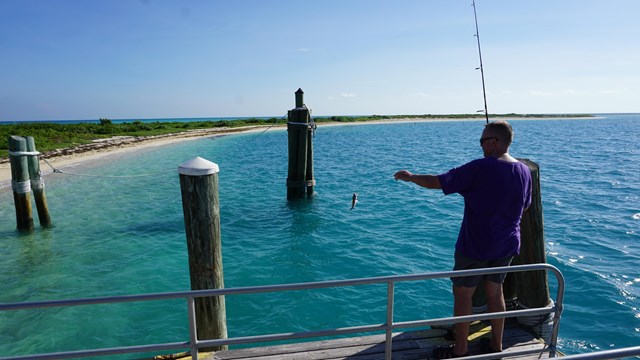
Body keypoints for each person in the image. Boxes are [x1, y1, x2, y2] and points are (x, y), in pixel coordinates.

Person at [393, 120, 532, 358]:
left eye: (482, 140)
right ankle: (496, 345)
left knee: (463, 294)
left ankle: (460, 349)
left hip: (475, 245)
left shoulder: (480, 168)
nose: (480, 145)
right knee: (495, 291)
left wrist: (410, 176)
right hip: (507, 244)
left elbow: (437, 182)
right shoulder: (524, 171)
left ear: (494, 142)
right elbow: (525, 206)